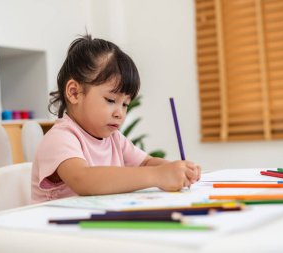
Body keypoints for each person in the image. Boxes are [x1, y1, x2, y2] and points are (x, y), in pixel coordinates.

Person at [31, 34, 201, 203]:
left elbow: (145, 163)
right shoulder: (60, 138)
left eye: (125, 104)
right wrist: (157, 175)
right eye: (111, 100)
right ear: (74, 93)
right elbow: (83, 180)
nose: (119, 113)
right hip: (54, 227)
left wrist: (176, 169)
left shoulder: (114, 139)